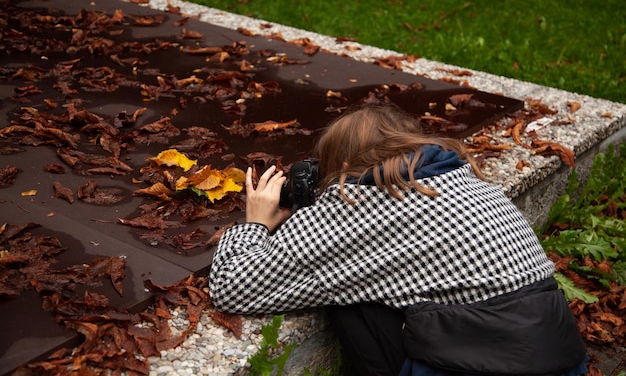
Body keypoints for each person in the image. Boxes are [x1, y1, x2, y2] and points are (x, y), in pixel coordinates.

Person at [208, 103, 588, 376]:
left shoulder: (359, 201)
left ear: (342, 165)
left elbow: (233, 287)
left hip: (479, 365)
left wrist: (257, 222)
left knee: (345, 290)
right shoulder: (467, 181)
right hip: (561, 358)